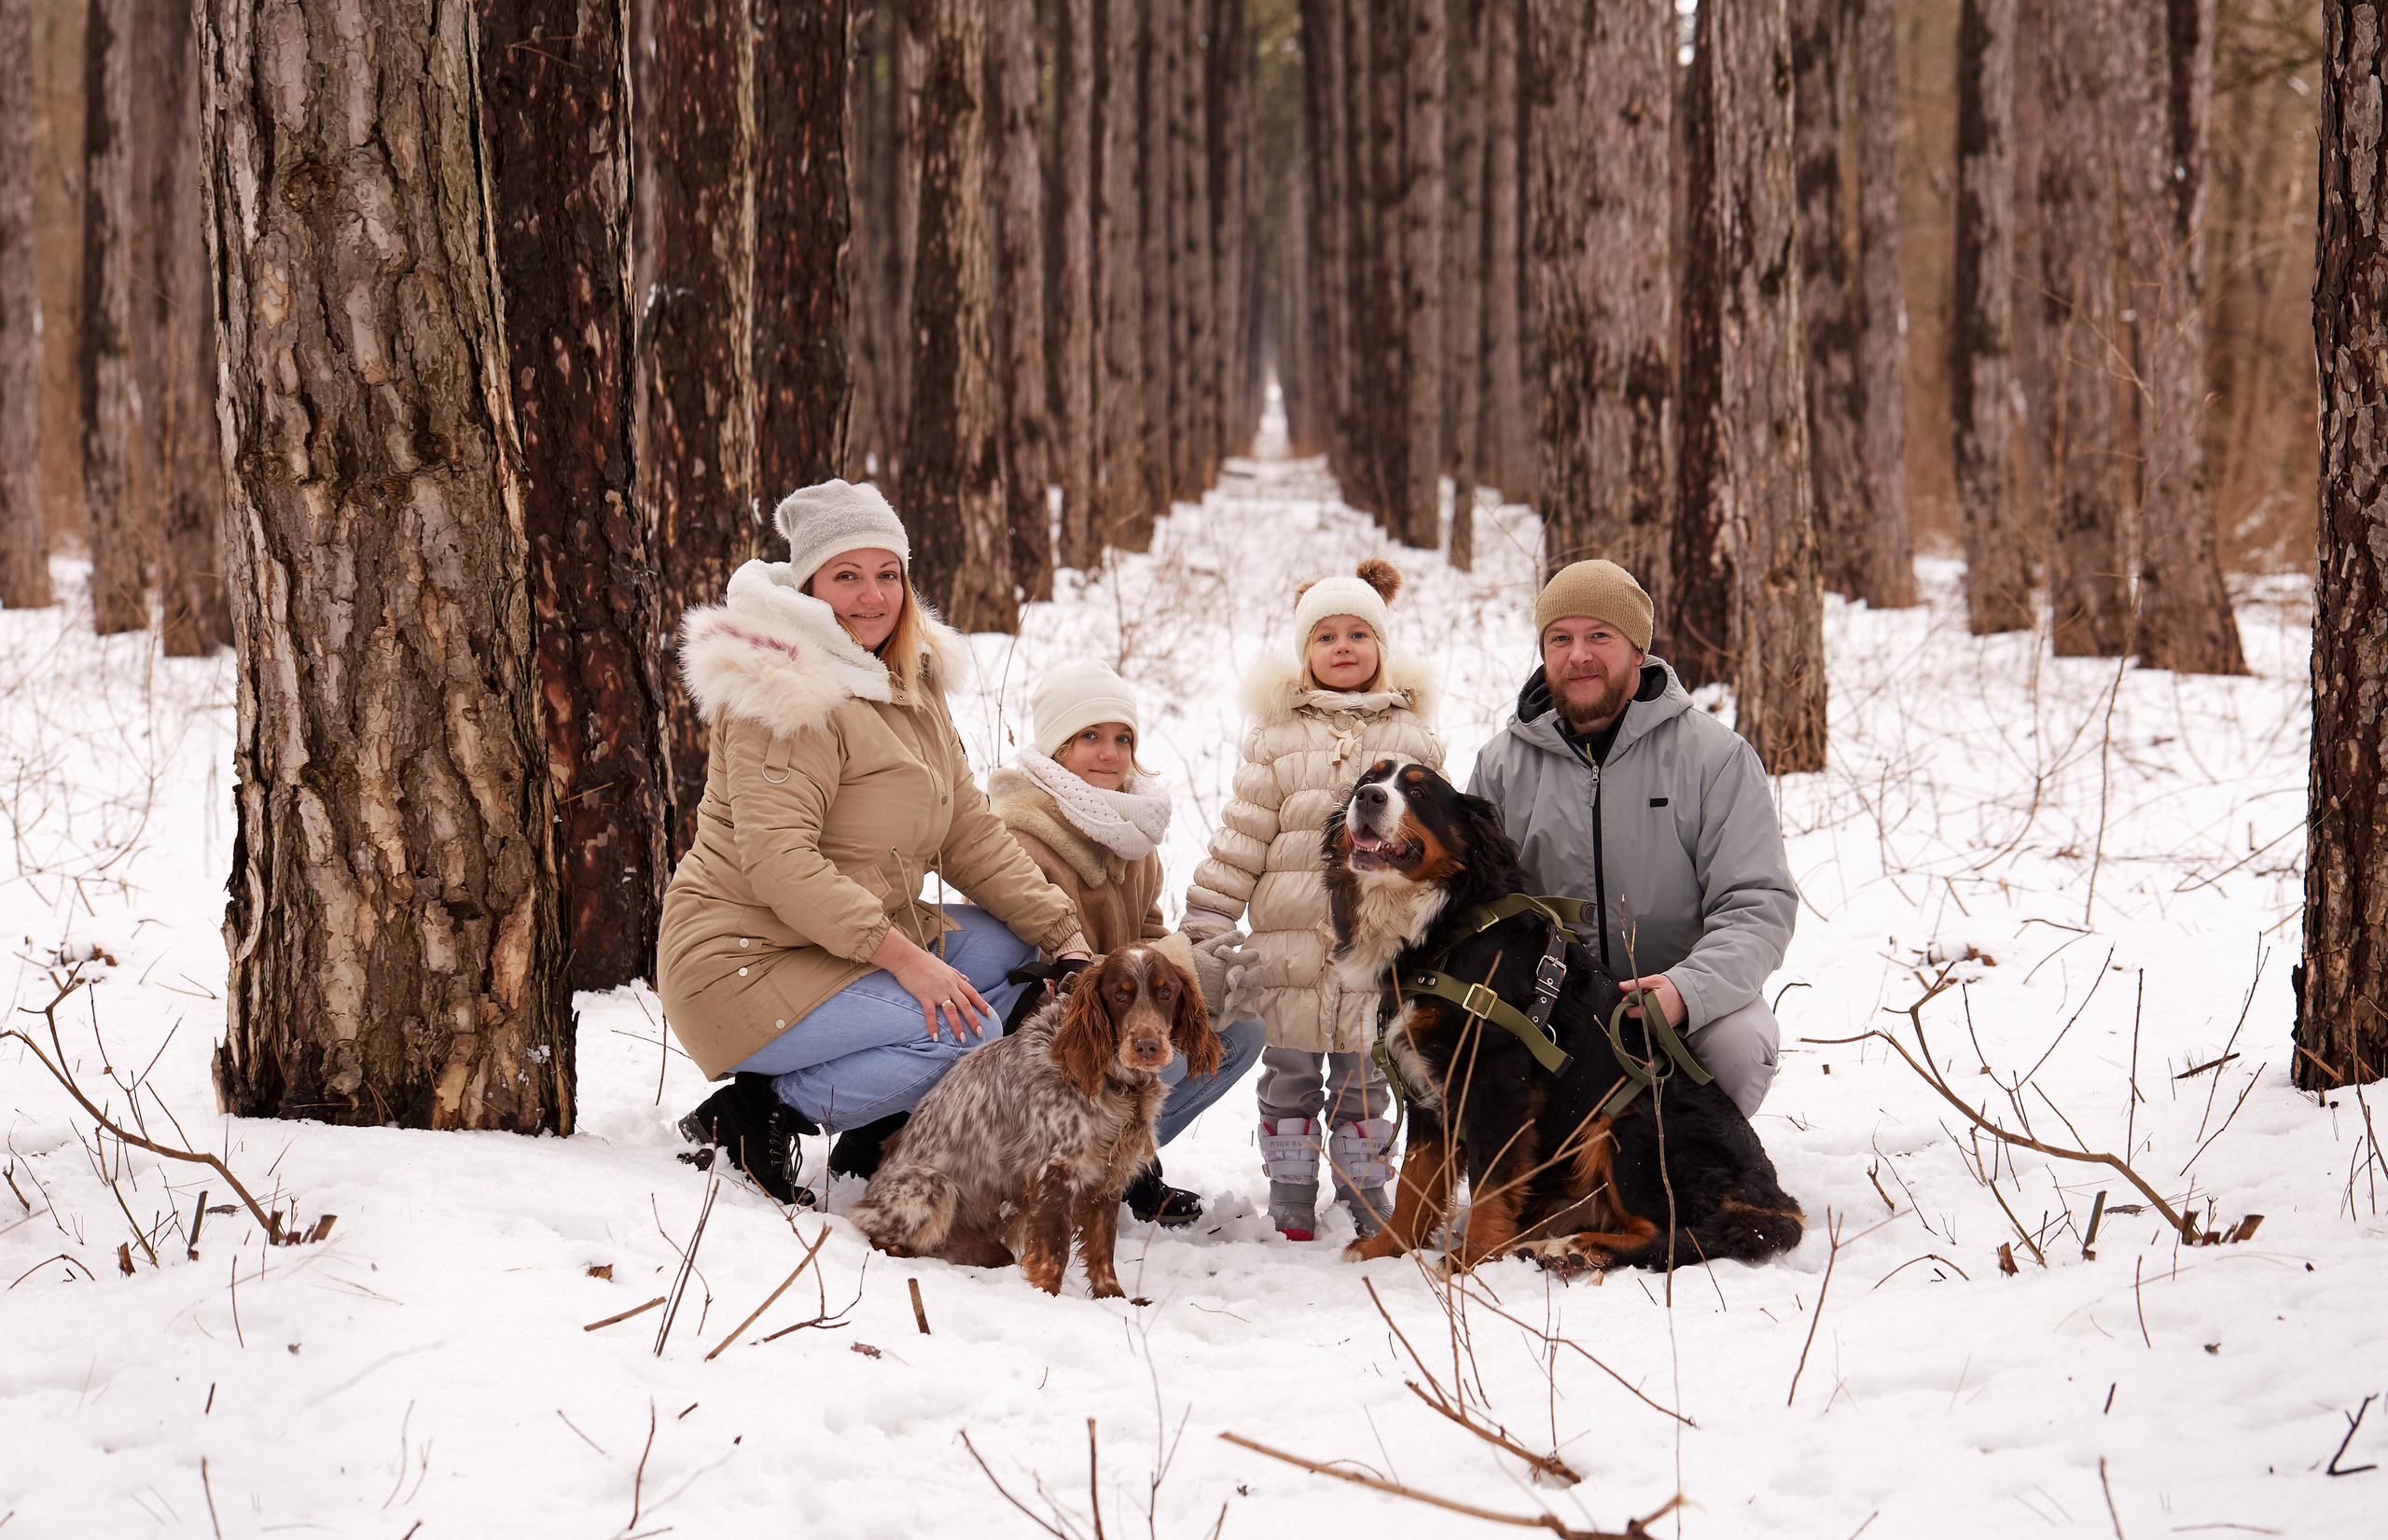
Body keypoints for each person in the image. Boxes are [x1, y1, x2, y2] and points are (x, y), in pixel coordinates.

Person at [659, 479, 1090, 1204]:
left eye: (887, 573)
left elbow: (969, 832)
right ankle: (756, 1112)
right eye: (846, 576)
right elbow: (780, 863)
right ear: (808, 586)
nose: (872, 597)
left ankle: (874, 1115)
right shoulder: (783, 692)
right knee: (967, 1030)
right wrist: (907, 961)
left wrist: (1065, 934)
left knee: (1018, 954)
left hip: (838, 940)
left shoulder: (904, 681)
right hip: (742, 956)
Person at [1466, 560, 1796, 1118]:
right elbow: (1476, 905)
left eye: (1600, 636)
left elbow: (1756, 907)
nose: (1579, 655)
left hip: (1675, 997)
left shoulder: (1715, 758)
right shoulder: (1501, 764)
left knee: (1738, 1043)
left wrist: (1686, 991)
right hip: (1548, 1006)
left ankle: (1696, 1169)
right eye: (1560, 638)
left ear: (1638, 651)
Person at [1184, 559, 1443, 1240]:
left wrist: (1440, 921)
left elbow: (1436, 840)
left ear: (1382, 649)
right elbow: (1243, 834)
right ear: (1304, 655)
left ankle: (1364, 1188)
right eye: (1325, 637)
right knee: (1288, 1075)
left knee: (1368, 1076)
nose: (1343, 648)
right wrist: (1209, 915)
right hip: (1288, 950)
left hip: (1375, 947)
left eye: (1359, 633)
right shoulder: (1276, 738)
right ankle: (1293, 1191)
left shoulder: (1412, 738)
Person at [986, 659, 1267, 1226]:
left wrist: (1196, 971)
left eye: (1122, 738)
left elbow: (1149, 935)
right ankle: (1052, 1165)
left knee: (1241, 1029)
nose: (1110, 754)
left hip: (1117, 1009)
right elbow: (1028, 962)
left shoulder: (1129, 830)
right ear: (1055, 747)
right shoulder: (1016, 833)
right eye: (1088, 736)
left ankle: (1126, 1165)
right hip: (1040, 1029)